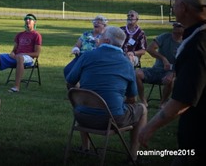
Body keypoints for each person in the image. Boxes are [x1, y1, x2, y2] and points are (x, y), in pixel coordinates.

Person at [139, 0, 206, 165]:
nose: (174, 8)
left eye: (175, 3)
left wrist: (148, 127)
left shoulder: (196, 45)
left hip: (198, 140)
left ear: (183, 8)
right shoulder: (194, 37)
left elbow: (184, 99)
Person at [66, 26, 147, 162]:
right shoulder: (126, 64)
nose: (98, 38)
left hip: (81, 116)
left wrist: (81, 96)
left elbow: (70, 81)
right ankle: (133, 156)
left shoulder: (87, 56)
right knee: (143, 109)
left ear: (107, 40)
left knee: (83, 93)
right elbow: (132, 98)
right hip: (112, 120)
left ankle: (85, 147)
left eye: (101, 36)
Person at [0, 13, 42, 93]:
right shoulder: (20, 35)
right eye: (26, 19)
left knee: (20, 58)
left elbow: (36, 54)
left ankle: (16, 87)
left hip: (28, 59)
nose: (27, 20)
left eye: (30, 19)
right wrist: (12, 53)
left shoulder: (36, 35)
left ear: (34, 22)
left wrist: (22, 55)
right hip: (16, 56)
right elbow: (14, 49)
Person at [135, 22, 184, 108]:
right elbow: (150, 49)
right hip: (156, 70)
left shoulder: (185, 43)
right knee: (137, 73)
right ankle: (143, 101)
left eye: (179, 26)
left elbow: (186, 63)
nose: (175, 27)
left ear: (184, 28)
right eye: (174, 25)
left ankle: (163, 102)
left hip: (172, 72)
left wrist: (173, 73)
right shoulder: (165, 37)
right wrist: (163, 59)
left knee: (170, 79)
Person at [63, 15, 108, 80]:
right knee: (68, 69)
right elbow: (77, 45)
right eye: (95, 22)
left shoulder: (105, 36)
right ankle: (73, 86)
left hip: (95, 58)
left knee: (87, 73)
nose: (96, 24)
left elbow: (106, 49)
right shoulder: (86, 34)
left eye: (98, 23)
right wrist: (76, 49)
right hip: (81, 56)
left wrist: (98, 43)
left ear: (104, 25)